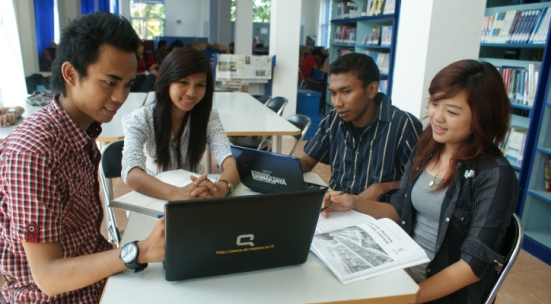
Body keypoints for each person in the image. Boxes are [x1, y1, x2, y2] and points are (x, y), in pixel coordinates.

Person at [322, 59, 518, 303]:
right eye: (434, 104)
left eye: (452, 111)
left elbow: (472, 267)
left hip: (435, 290)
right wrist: (352, 202)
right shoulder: (428, 147)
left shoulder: (495, 175)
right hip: (400, 267)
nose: (437, 117)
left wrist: (407, 298)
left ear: (482, 116)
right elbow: (398, 210)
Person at [0, 12, 165, 303]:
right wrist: (138, 251)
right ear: (70, 74)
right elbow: (48, 278)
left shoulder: (80, 132)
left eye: (127, 84)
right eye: (109, 82)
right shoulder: (33, 152)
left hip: (95, 279)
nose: (119, 96)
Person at [122, 47, 240, 201]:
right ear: (167, 81)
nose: (191, 92)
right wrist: (175, 193)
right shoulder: (140, 119)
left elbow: (231, 160)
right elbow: (131, 172)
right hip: (155, 197)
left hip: (193, 200)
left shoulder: (208, 117)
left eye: (200, 85)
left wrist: (222, 188)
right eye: (183, 82)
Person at [300, 53, 423, 201]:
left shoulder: (403, 125)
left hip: (379, 217)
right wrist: (272, 168)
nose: (337, 103)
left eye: (346, 92)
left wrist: (382, 188)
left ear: (371, 90)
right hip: (337, 208)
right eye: (333, 93)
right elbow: (306, 162)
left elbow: (419, 183)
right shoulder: (333, 119)